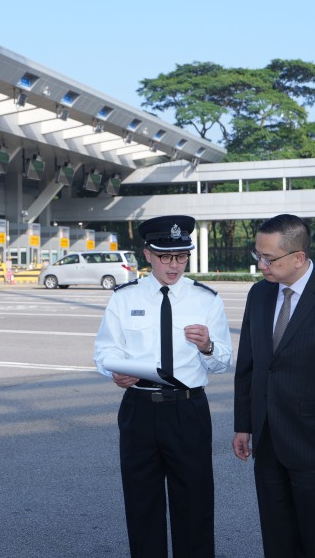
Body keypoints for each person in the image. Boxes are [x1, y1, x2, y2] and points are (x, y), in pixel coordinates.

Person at [94, 215, 232, 558]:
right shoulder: (125, 298)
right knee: (142, 504)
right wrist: (114, 372)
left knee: (195, 503)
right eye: (165, 256)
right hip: (139, 409)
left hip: (188, 409)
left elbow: (223, 360)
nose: (174, 265)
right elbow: (106, 349)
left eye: (182, 256)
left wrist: (208, 347)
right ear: (147, 255)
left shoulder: (206, 299)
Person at [232, 214, 315, 558]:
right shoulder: (259, 295)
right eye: (257, 256)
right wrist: (243, 425)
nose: (261, 265)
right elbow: (249, 366)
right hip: (268, 443)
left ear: (298, 258)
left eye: (269, 258)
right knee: (277, 542)